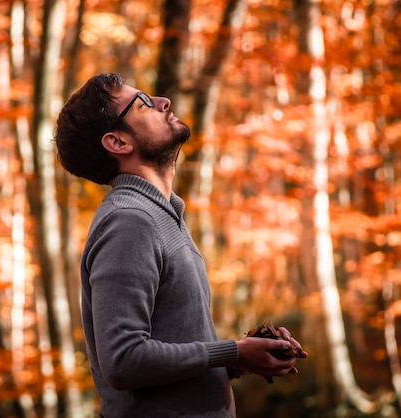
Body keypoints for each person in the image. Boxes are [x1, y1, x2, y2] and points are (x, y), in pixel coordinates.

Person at [54, 73, 307, 417]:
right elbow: (124, 360)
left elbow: (169, 366)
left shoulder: (159, 215)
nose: (163, 102)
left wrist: (246, 356)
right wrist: (232, 351)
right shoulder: (129, 221)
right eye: (142, 103)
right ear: (118, 142)